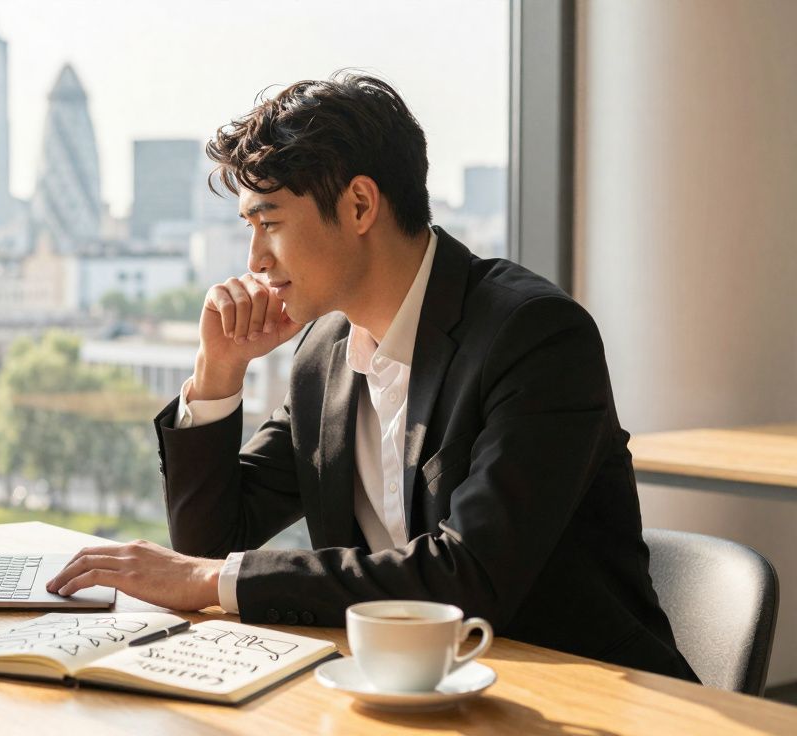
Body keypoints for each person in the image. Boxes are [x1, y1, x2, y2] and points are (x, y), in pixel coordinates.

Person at [45, 72, 697, 681]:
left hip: (589, 692)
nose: (254, 259)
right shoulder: (323, 354)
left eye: (269, 222)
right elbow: (212, 541)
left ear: (359, 205)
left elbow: (468, 578)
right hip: (408, 691)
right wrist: (218, 372)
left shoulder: (536, 337)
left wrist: (206, 583)